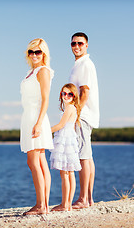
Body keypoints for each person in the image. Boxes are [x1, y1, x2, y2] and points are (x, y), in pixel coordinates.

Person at [20, 38, 54, 215]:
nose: (34, 55)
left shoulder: (43, 71)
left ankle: (41, 205)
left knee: (34, 162)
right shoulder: (31, 72)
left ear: (44, 54)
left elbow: (46, 98)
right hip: (28, 117)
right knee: (39, 162)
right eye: (31, 52)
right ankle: (44, 204)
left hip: (36, 117)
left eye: (38, 52)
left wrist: (39, 123)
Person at [69, 32, 100, 209]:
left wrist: (76, 114)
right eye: (73, 43)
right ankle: (88, 198)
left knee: (83, 156)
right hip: (84, 115)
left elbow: (85, 92)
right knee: (87, 156)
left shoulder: (85, 64)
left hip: (83, 116)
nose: (77, 46)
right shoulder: (78, 65)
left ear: (86, 45)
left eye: (80, 43)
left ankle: (83, 199)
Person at [49, 83, 82, 212]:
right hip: (70, 140)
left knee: (65, 173)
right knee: (70, 173)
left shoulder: (69, 109)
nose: (66, 96)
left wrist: (46, 131)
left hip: (65, 140)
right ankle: (67, 204)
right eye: (64, 93)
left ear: (74, 96)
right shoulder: (72, 108)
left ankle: (65, 204)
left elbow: (61, 125)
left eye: (69, 94)